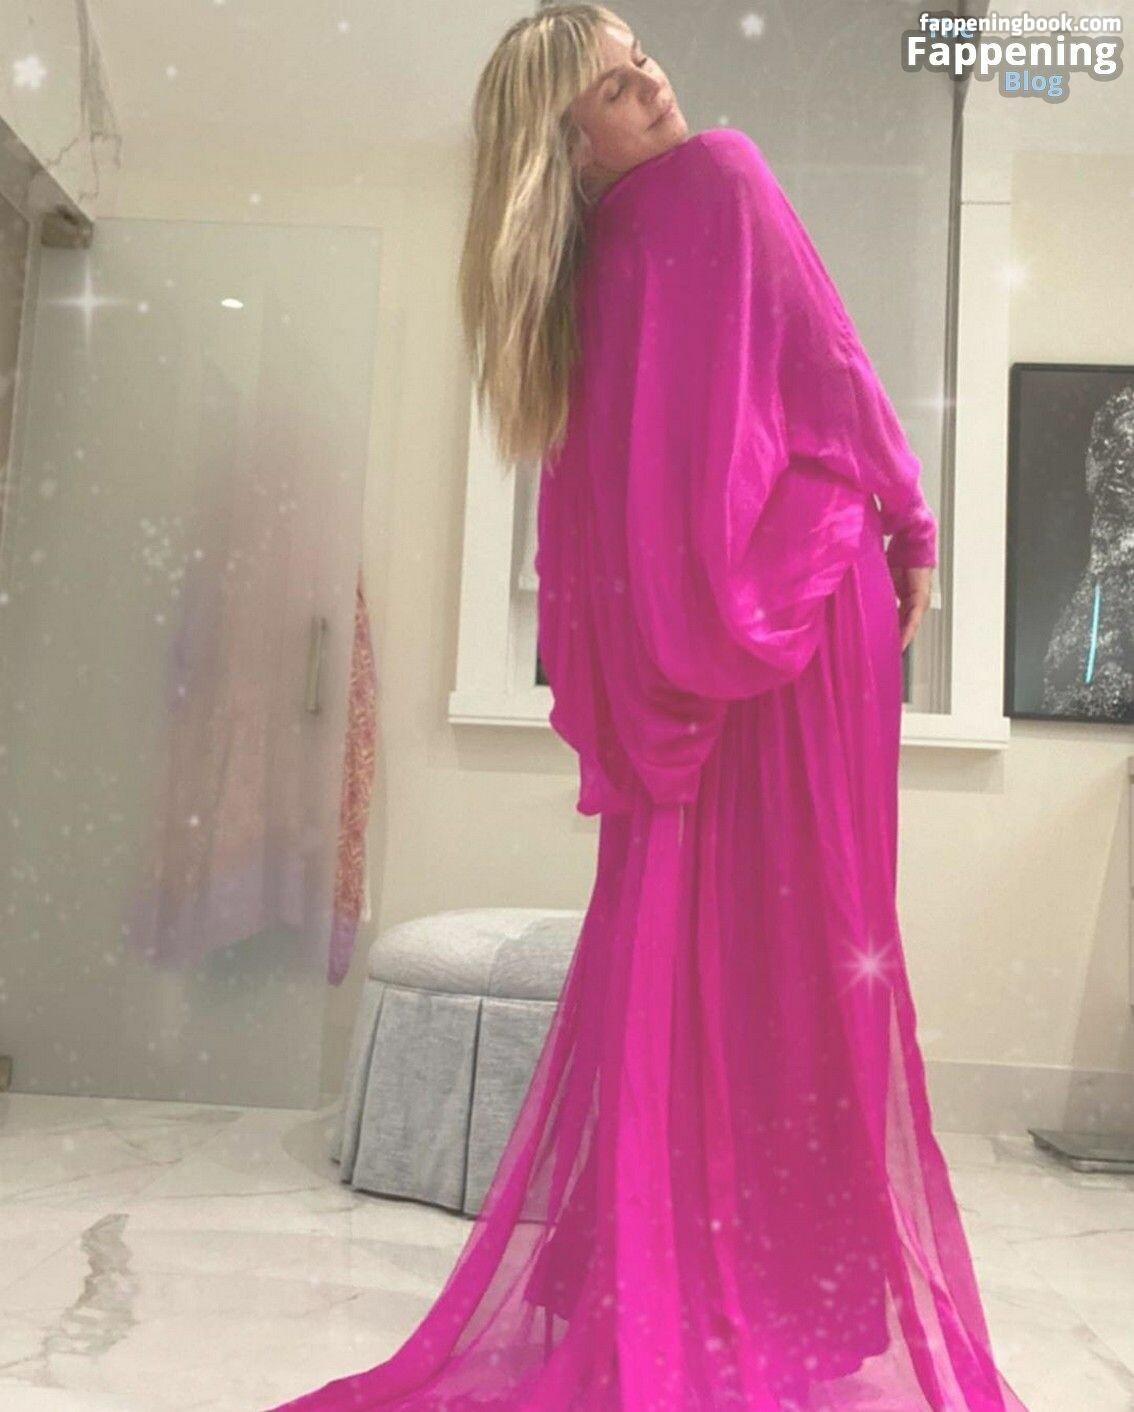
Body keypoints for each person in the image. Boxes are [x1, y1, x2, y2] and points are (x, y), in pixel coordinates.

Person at [268, 6, 1031, 1409]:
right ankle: (785, 1291)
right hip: (802, 616)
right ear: (568, 147)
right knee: (804, 950)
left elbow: (602, 529)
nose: (653, 83)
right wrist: (914, 526)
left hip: (704, 658)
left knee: (692, 951)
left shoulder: (572, 295)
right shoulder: (721, 178)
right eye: (615, 86)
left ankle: (681, 1277)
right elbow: (829, 364)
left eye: (639, 62)